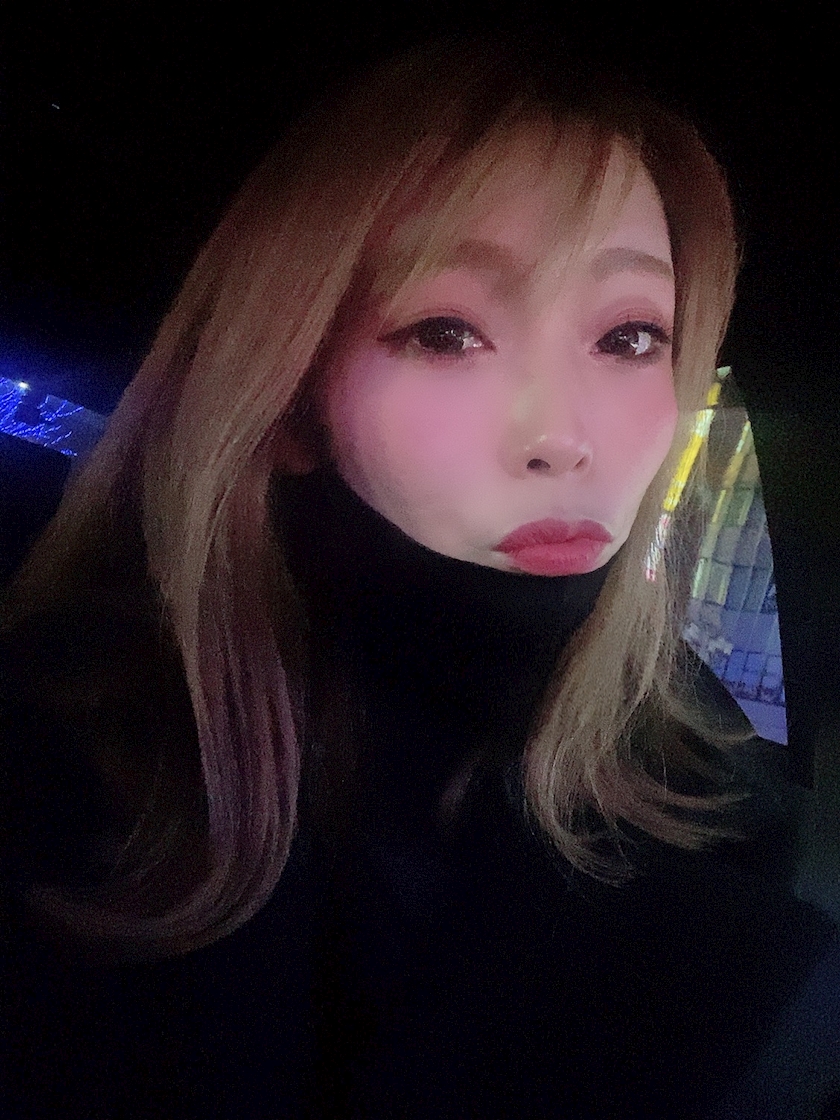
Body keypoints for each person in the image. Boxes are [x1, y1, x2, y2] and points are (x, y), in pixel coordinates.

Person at [2, 33, 838, 1119]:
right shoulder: (60, 759)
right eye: (447, 331)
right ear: (293, 399)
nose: (564, 438)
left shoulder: (711, 780)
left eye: (631, 336)